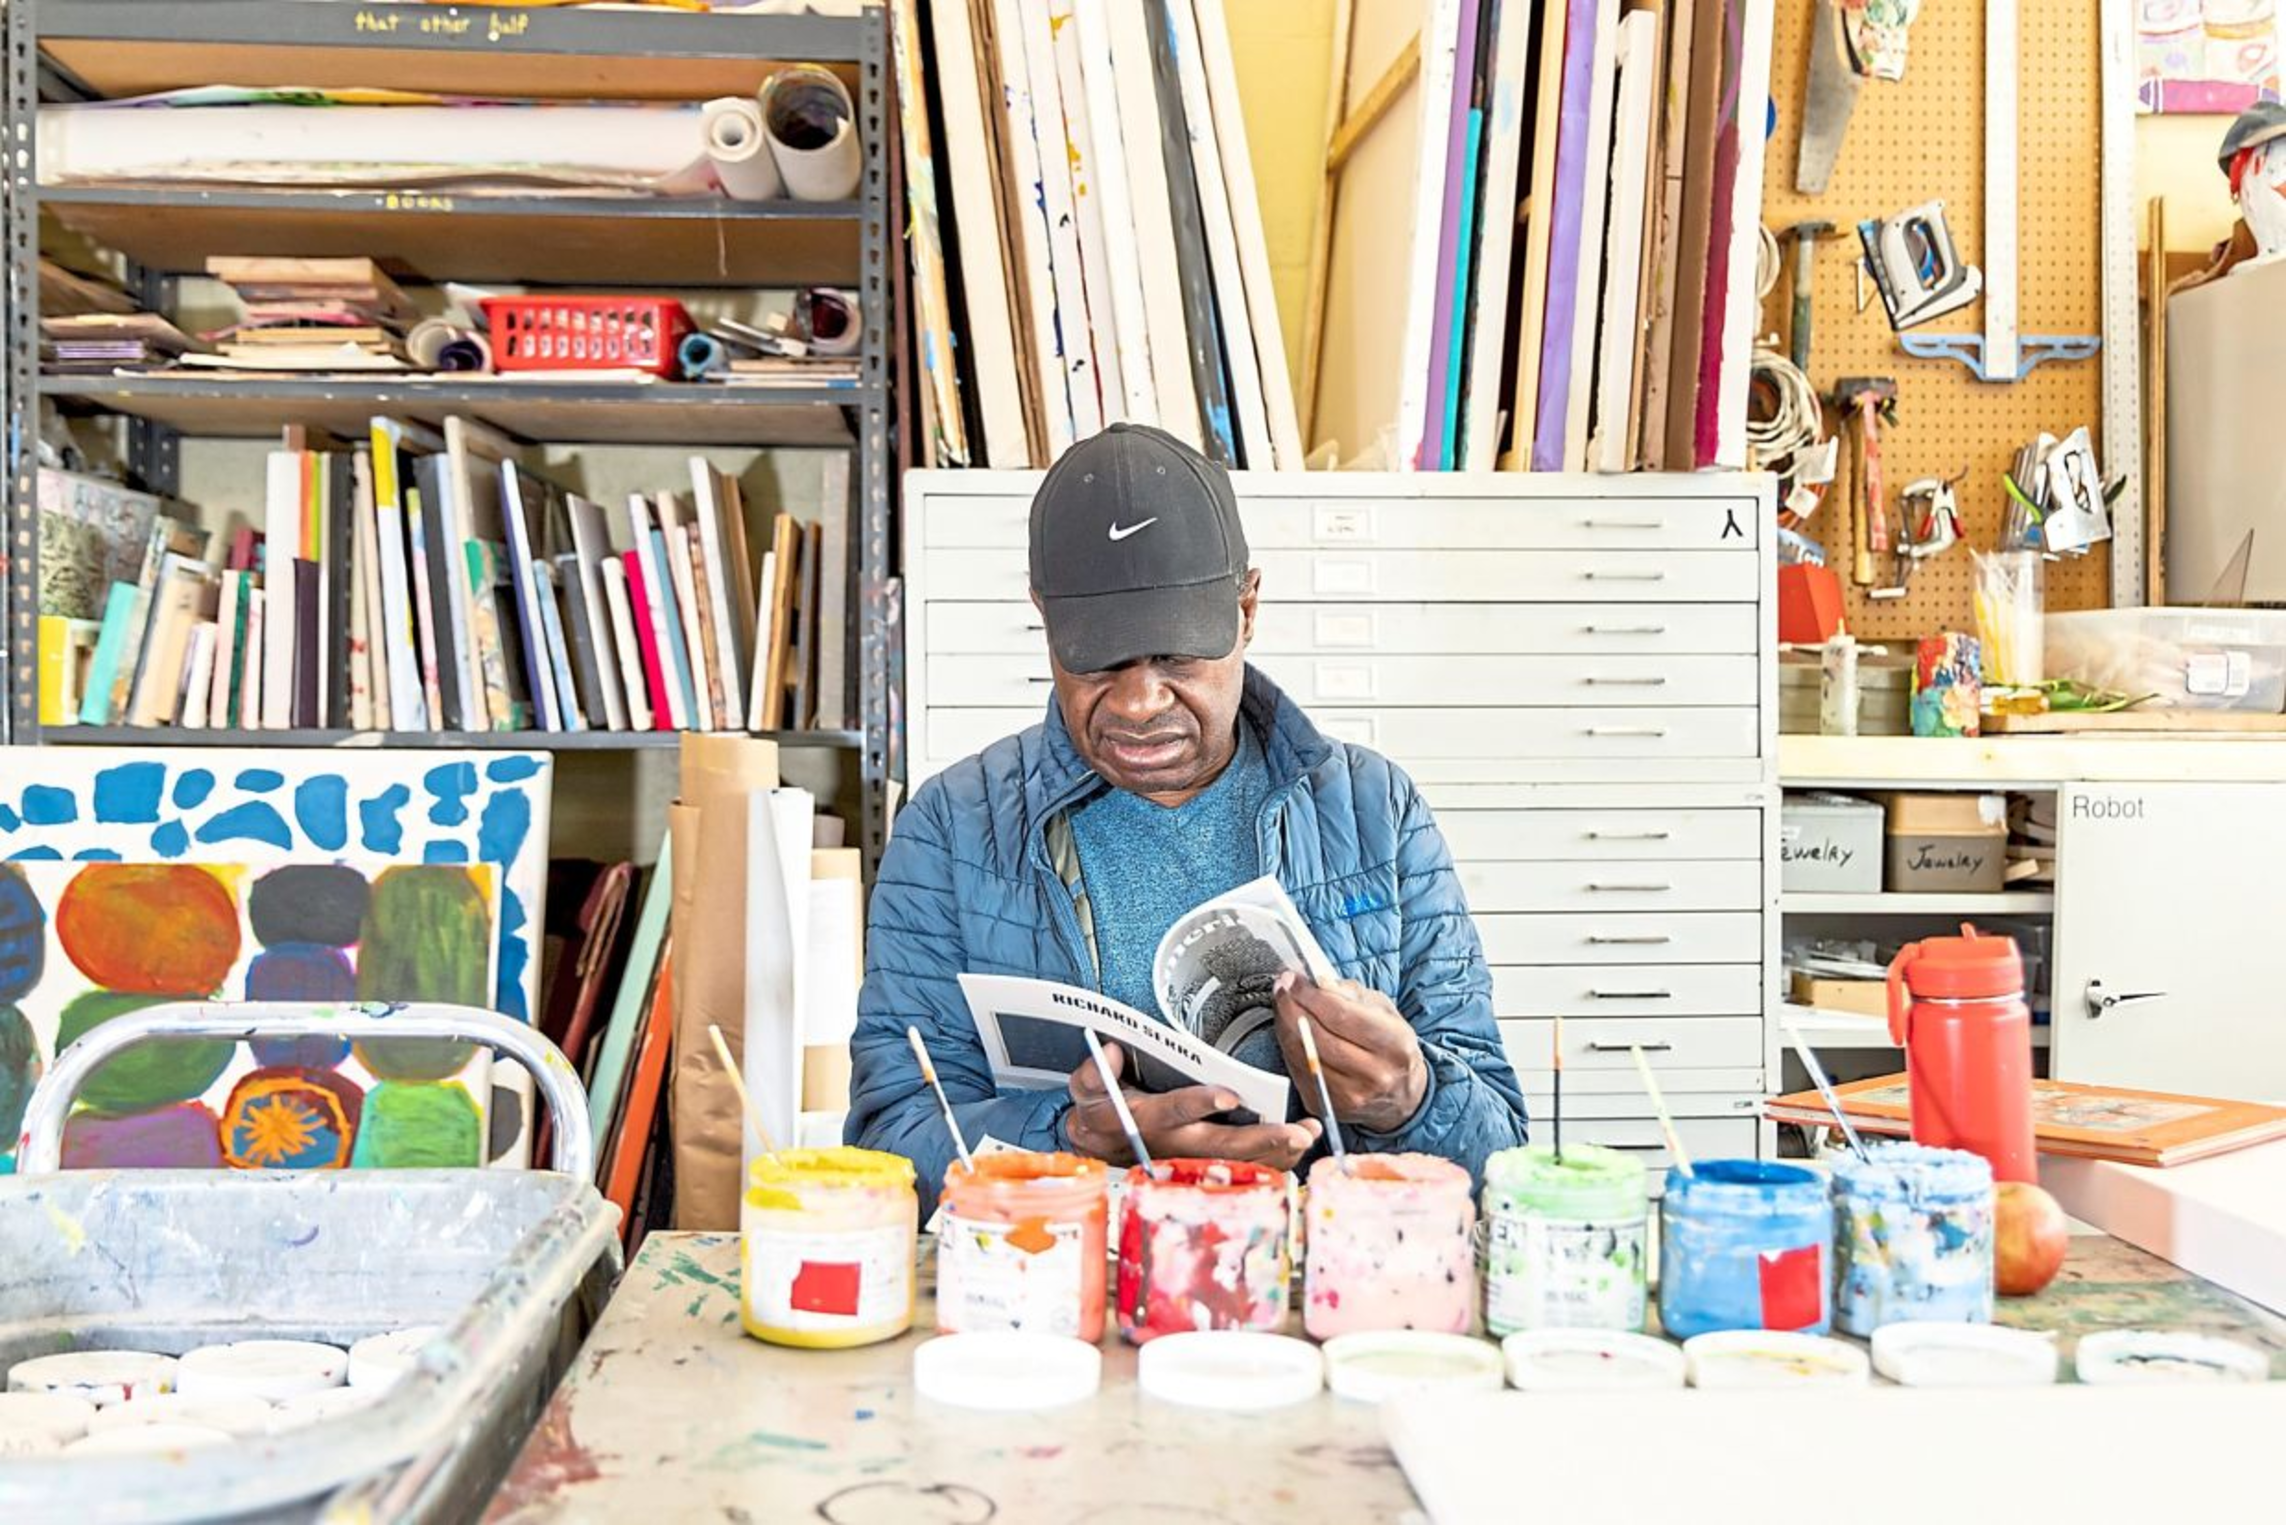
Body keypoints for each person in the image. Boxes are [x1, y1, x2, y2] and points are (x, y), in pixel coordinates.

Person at [847, 424, 1529, 1212]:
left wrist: (1407, 1098)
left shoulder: (1375, 810)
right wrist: (1068, 1139)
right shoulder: (951, 829)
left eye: (1176, 654)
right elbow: (888, 1146)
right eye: (1100, 658)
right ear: (1045, 618)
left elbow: (1502, 1159)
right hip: (1065, 1274)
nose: (1140, 703)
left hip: (1322, 1272)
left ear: (1247, 608)